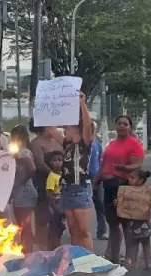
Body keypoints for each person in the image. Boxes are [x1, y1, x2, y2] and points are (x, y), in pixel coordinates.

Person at [98, 114, 145, 261]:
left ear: (130, 127)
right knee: (112, 224)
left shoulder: (134, 144)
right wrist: (95, 182)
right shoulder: (111, 144)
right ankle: (114, 256)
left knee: (125, 224)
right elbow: (103, 165)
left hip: (123, 186)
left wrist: (124, 168)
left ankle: (130, 257)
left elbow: (138, 165)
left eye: (125, 124)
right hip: (107, 187)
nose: (122, 126)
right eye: (119, 123)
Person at [58, 92, 96, 250]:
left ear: (76, 129)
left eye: (68, 127)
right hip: (66, 188)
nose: (65, 129)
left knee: (83, 230)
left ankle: (89, 262)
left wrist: (82, 104)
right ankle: (76, 261)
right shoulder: (66, 145)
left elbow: (87, 125)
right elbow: (50, 129)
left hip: (80, 187)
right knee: (73, 230)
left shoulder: (84, 144)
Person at [30, 122, 65, 249]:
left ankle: (54, 246)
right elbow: (39, 163)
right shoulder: (37, 143)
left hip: (59, 185)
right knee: (42, 218)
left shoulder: (57, 142)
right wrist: (53, 175)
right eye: (52, 126)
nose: (55, 128)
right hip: (42, 181)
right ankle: (41, 246)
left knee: (57, 219)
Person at [118, 170, 151, 270]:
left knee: (146, 243)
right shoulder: (126, 191)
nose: (129, 180)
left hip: (143, 222)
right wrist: (118, 203)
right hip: (133, 222)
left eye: (132, 178)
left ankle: (148, 264)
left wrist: (150, 201)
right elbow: (121, 204)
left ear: (141, 180)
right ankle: (133, 262)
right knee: (133, 243)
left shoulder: (147, 191)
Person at [9, 124, 39, 250]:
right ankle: (26, 251)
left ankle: (28, 252)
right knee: (23, 226)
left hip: (24, 194)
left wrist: (21, 182)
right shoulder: (20, 151)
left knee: (24, 226)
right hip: (23, 194)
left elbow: (32, 168)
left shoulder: (23, 152)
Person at [88, 122, 106, 240]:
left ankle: (102, 231)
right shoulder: (80, 144)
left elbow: (101, 161)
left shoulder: (97, 144)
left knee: (100, 205)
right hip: (82, 179)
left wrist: (100, 176)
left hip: (96, 178)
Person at [43, 150, 66, 247]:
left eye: (60, 160)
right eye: (54, 160)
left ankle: (57, 246)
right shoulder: (52, 176)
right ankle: (53, 248)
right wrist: (56, 208)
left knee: (60, 228)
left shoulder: (63, 175)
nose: (57, 162)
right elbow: (49, 193)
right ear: (50, 163)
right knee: (54, 228)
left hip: (62, 203)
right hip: (55, 205)